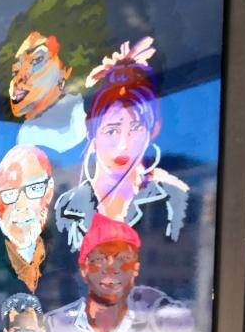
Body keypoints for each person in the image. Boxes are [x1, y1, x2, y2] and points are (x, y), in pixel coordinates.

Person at [54, 37, 189, 253]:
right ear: (92, 132)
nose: (123, 144)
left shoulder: (172, 196)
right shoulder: (68, 205)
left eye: (136, 128)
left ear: (153, 130)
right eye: (112, 131)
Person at [44, 216, 192, 332]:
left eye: (122, 258)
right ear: (83, 269)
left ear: (135, 269)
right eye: (99, 259)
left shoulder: (156, 327)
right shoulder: (54, 326)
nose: (111, 268)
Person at [0, 145, 56, 292]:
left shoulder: (61, 256)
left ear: (49, 192)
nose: (21, 205)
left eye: (34, 189)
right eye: (9, 194)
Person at [9, 31, 87, 153]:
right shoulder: (24, 138)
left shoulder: (92, 124)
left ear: (65, 70)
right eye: (15, 70)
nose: (19, 78)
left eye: (37, 60)